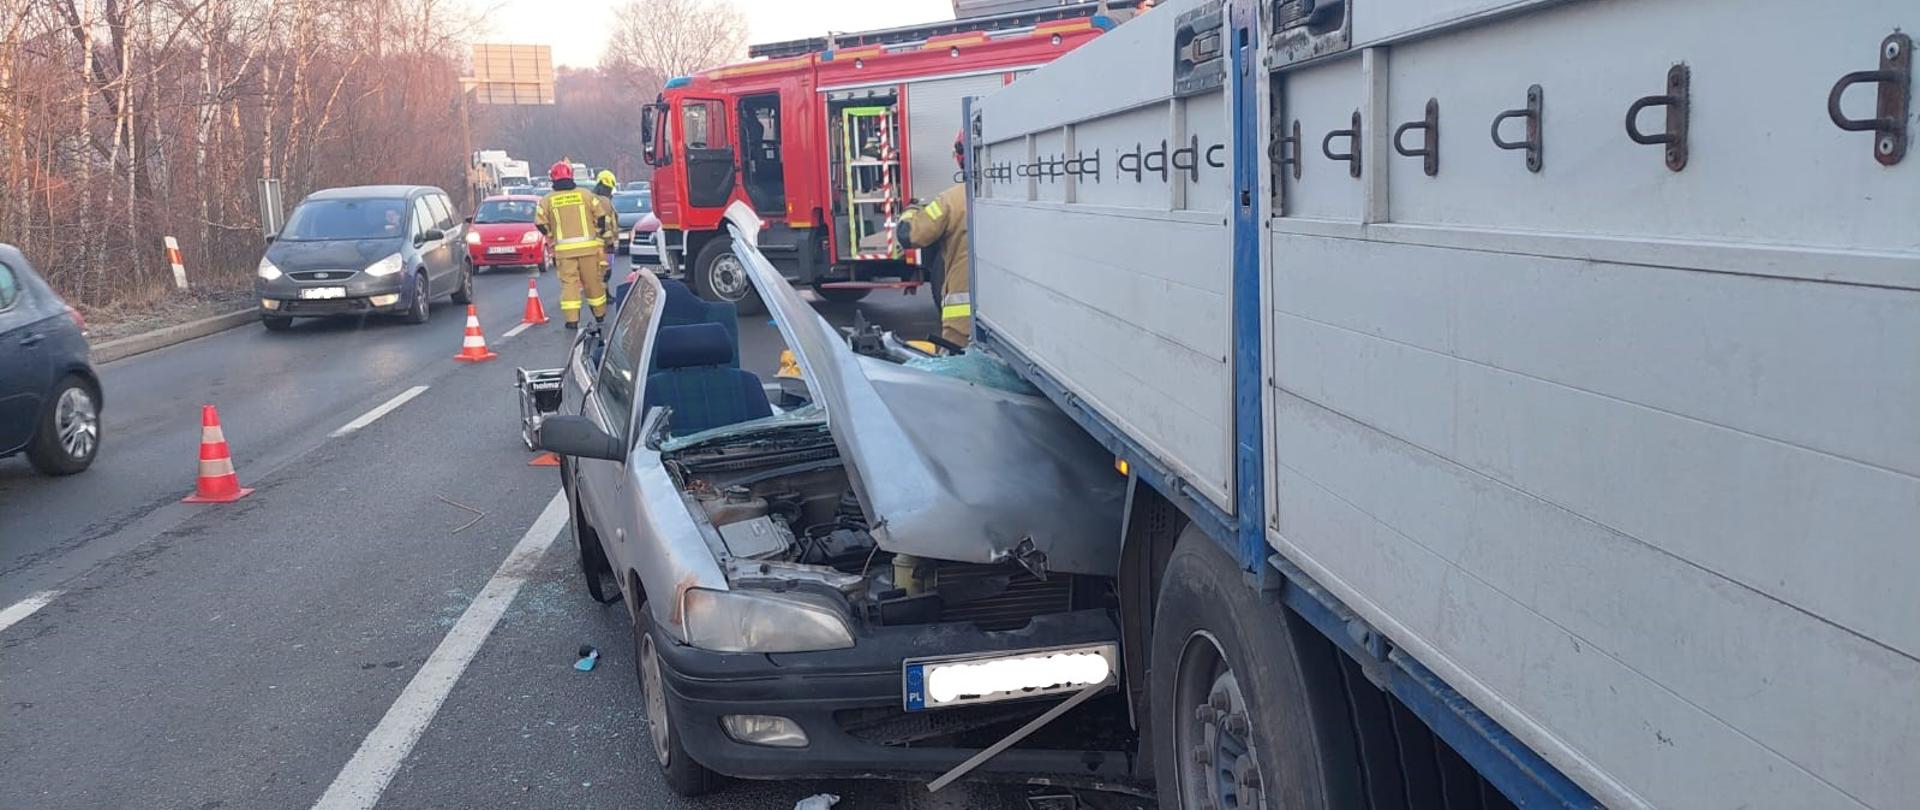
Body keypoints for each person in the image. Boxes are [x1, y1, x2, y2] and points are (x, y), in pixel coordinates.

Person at [895, 135, 971, 347]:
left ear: (960, 155)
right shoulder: (1015, 195)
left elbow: (910, 235)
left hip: (963, 323)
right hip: (1010, 319)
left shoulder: (952, 201)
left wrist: (911, 210)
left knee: (960, 375)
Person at [535, 161, 616, 329]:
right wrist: (598, 232)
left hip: (564, 252)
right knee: (592, 282)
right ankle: (600, 315)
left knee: (569, 285)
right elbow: (600, 217)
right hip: (588, 249)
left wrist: (551, 236)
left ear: (553, 178)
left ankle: (572, 320)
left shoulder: (547, 200)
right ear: (571, 176)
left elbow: (540, 223)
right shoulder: (586, 195)